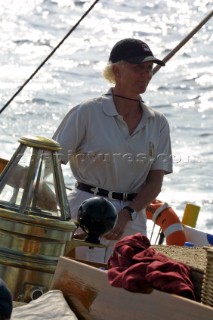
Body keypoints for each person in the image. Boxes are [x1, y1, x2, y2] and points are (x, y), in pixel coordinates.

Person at [53, 38, 173, 263]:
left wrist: (127, 214)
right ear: (116, 70)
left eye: (148, 69)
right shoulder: (86, 112)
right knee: (74, 283)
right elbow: (49, 164)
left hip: (132, 217)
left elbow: (155, 183)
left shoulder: (158, 123)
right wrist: (57, 209)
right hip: (83, 212)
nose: (146, 75)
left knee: (125, 287)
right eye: (138, 68)